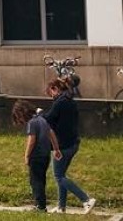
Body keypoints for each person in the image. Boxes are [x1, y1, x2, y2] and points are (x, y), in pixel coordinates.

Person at [42, 78, 96, 214]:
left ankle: (86, 200)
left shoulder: (59, 103)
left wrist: (38, 114)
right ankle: (61, 207)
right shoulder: (71, 101)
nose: (51, 96)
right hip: (73, 143)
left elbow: (48, 119)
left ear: (54, 89)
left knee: (59, 176)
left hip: (61, 146)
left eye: (50, 93)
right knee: (62, 175)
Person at [13, 99, 60, 213]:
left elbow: (32, 140)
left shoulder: (32, 122)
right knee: (41, 180)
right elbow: (51, 133)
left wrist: (27, 155)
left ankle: (40, 206)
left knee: (35, 181)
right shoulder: (42, 119)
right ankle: (41, 204)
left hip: (36, 155)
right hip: (45, 155)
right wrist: (56, 148)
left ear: (22, 112)